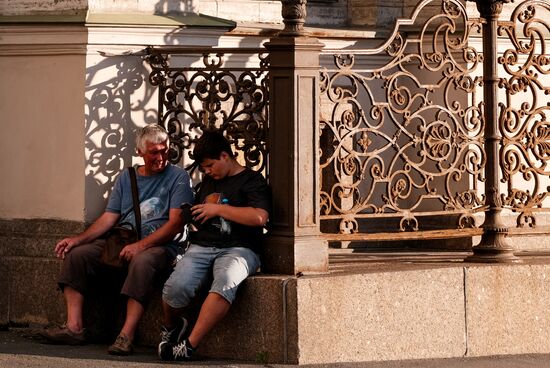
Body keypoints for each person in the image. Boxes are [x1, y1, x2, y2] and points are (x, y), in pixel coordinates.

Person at [39, 125, 194, 356]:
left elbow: (175, 224)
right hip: (124, 239)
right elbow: (109, 218)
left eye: (164, 151)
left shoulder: (178, 177)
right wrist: (77, 240)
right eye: (154, 152)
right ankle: (74, 327)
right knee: (77, 256)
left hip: (163, 246)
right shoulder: (127, 177)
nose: (160, 157)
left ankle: (126, 335)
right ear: (140, 152)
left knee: (142, 261)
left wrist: (141, 245)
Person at [158, 130, 270, 361]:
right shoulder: (209, 182)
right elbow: (204, 211)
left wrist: (218, 209)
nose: (207, 172)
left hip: (240, 247)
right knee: (175, 288)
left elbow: (260, 217)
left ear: (225, 156)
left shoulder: (252, 180)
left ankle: (188, 346)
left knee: (226, 280)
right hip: (202, 246)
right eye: (204, 168)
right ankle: (172, 326)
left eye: (210, 165)